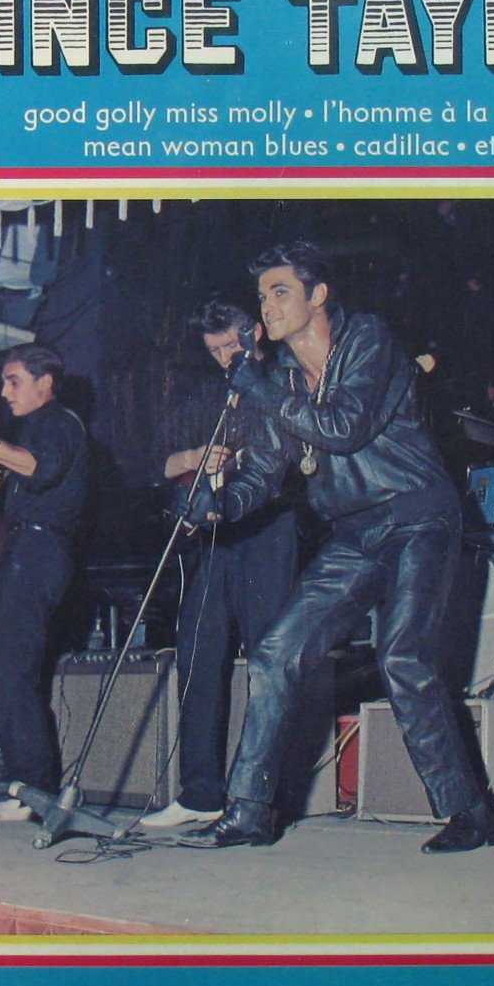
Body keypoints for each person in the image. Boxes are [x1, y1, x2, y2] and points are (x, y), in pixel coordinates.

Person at [178, 241, 494, 854]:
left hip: (416, 517)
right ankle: (248, 810)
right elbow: (264, 471)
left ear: (318, 296)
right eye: (263, 296)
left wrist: (261, 391)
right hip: (354, 533)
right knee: (276, 651)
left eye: (280, 292)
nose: (267, 307)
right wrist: (219, 504)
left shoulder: (368, 341)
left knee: (402, 657)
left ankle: (468, 812)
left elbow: (343, 428)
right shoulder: (279, 377)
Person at [141, 299, 299, 828]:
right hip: (214, 539)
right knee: (198, 658)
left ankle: (262, 798)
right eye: (214, 350)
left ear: (255, 333)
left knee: (268, 661)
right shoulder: (206, 396)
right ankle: (199, 793)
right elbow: (156, 462)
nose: (226, 356)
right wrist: (193, 459)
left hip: (268, 531)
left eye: (232, 344)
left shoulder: (282, 383)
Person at [0, 344, 88, 821]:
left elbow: (41, 469)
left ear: (45, 384)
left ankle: (36, 792)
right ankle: (28, 788)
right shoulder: (34, 428)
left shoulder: (59, 422)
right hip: (24, 551)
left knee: (13, 674)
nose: (5, 392)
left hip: (41, 553)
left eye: (14, 381)